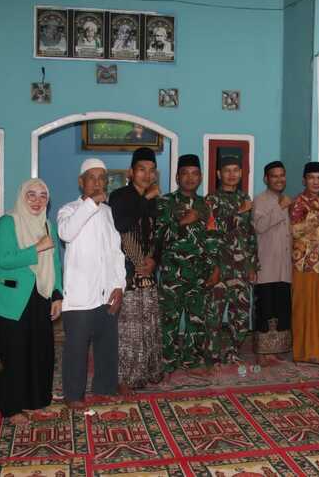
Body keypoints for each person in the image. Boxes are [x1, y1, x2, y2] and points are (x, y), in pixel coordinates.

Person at [0, 179, 63, 425]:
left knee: (39, 352)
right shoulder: (7, 223)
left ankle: (35, 400)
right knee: (14, 354)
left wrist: (57, 294)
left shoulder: (47, 225)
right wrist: (36, 248)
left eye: (43, 196)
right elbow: (4, 259)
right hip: (11, 300)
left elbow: (55, 263)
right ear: (22, 196)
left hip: (41, 295)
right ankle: (10, 407)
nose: (37, 201)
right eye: (31, 195)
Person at [57, 158, 125, 409]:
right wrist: (91, 204)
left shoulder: (108, 212)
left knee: (107, 345)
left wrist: (119, 284)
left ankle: (105, 387)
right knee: (76, 348)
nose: (97, 183)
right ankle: (74, 395)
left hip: (106, 291)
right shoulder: (69, 210)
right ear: (81, 182)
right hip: (80, 294)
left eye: (101, 178)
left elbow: (116, 252)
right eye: (91, 178)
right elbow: (66, 233)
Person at [156, 154, 219, 375]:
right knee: (168, 321)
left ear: (200, 177)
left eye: (195, 174)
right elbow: (158, 238)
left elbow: (212, 238)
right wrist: (184, 222)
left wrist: (215, 267)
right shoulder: (165, 202)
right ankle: (167, 362)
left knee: (196, 320)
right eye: (185, 173)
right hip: (172, 273)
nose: (190, 178)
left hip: (200, 273)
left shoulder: (205, 205)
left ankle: (192, 361)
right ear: (177, 177)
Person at [108, 147, 164, 391]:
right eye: (142, 169)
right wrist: (145, 200)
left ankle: (149, 371)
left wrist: (155, 260)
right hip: (127, 272)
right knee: (128, 329)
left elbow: (161, 235)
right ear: (131, 172)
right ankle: (125, 377)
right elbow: (121, 224)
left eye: (151, 170)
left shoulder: (157, 201)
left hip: (149, 272)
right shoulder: (119, 196)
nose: (147, 175)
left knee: (148, 324)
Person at [205, 155, 258, 365]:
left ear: (241, 173)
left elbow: (250, 235)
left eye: (236, 170)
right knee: (214, 315)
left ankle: (233, 351)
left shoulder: (244, 198)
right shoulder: (211, 200)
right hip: (219, 267)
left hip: (241, 268)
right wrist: (238, 212)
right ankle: (213, 355)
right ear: (219, 174)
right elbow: (211, 233)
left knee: (241, 315)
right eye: (227, 170)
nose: (232, 174)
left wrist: (253, 265)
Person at [290, 162, 319, 363]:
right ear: (304, 180)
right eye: (312, 178)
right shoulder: (298, 202)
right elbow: (293, 231)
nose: (316, 182)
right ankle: (304, 352)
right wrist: (316, 218)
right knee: (304, 307)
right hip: (303, 263)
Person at [252, 161, 292, 365]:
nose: (279, 179)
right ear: (266, 179)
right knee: (265, 310)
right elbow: (259, 226)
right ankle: (262, 352)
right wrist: (279, 207)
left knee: (281, 309)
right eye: (274, 176)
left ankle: (276, 349)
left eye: (282, 175)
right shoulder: (260, 200)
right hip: (266, 265)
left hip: (285, 266)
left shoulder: (287, 199)